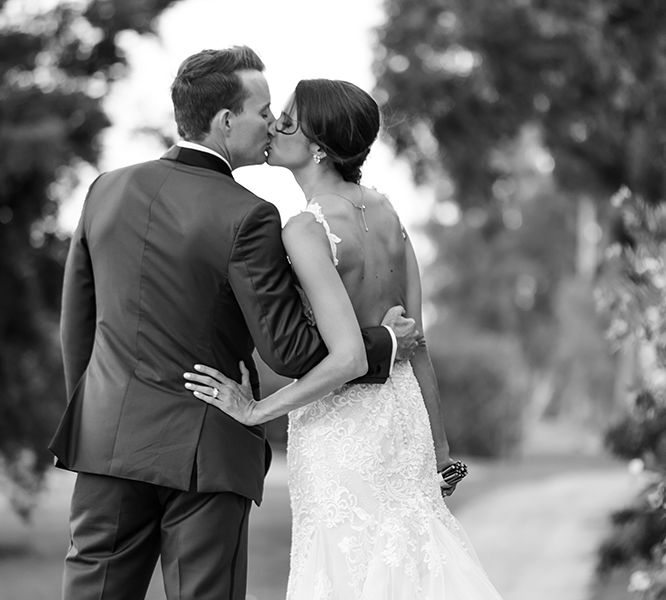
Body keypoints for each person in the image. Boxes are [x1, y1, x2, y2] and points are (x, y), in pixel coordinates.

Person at [49, 47, 420, 600]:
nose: (273, 122)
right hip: (208, 450)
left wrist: (98, 411)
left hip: (106, 441)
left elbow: (76, 322)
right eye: (264, 110)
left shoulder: (106, 189)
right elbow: (290, 352)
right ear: (227, 121)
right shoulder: (249, 215)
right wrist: (383, 340)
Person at [185, 79, 504, 599]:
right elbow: (416, 345)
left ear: (318, 146)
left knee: (345, 571)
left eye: (287, 119)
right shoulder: (386, 210)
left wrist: (254, 412)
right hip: (404, 420)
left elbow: (347, 360)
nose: (273, 126)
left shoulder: (305, 230)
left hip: (342, 430)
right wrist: (440, 449)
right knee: (413, 564)